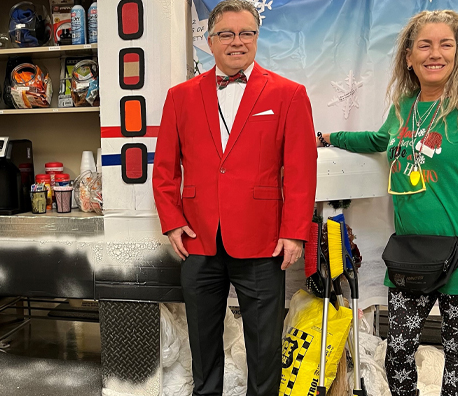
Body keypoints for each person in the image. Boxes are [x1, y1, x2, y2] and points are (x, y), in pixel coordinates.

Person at [152, 1, 317, 394]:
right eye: (226, 33)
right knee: (202, 339)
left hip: (262, 239)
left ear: (257, 38)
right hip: (199, 238)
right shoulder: (180, 96)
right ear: (209, 41)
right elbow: (164, 169)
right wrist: (172, 221)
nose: (237, 42)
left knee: (263, 343)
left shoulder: (289, 94)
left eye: (246, 33)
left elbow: (300, 171)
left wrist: (295, 232)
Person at [318, 10, 458, 396]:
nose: (435, 53)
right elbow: (378, 141)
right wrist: (329, 136)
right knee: (397, 356)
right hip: (413, 254)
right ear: (409, 57)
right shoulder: (403, 108)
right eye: (424, 45)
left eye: (446, 43)